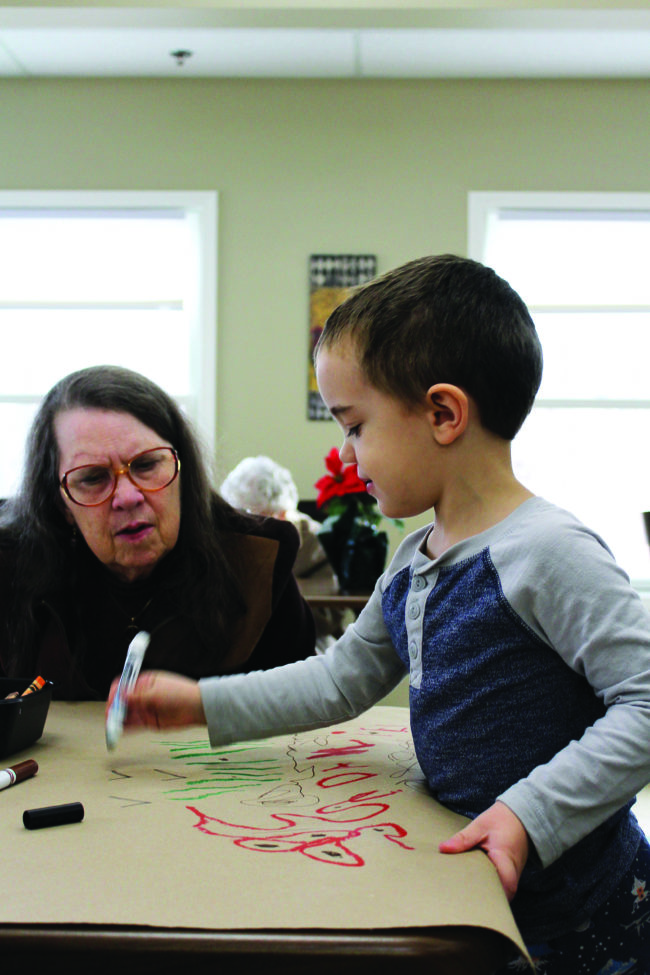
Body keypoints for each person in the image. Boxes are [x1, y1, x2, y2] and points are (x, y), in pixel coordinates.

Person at [111, 256, 650, 973]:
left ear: (442, 413)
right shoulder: (412, 562)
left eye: (355, 425)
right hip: (478, 896)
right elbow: (338, 680)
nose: (344, 451)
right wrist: (198, 703)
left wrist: (530, 814)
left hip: (590, 914)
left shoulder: (547, 551)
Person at [0, 365, 316, 698]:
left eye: (147, 465)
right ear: (61, 504)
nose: (127, 497)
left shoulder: (257, 559)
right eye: (93, 478)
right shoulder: (9, 571)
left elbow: (303, 706)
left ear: (182, 469)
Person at [220, 455, 344, 650]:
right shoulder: (229, 536)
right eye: (238, 517)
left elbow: (328, 616)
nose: (245, 528)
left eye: (255, 519)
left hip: (305, 642)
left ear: (283, 514)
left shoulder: (317, 541)